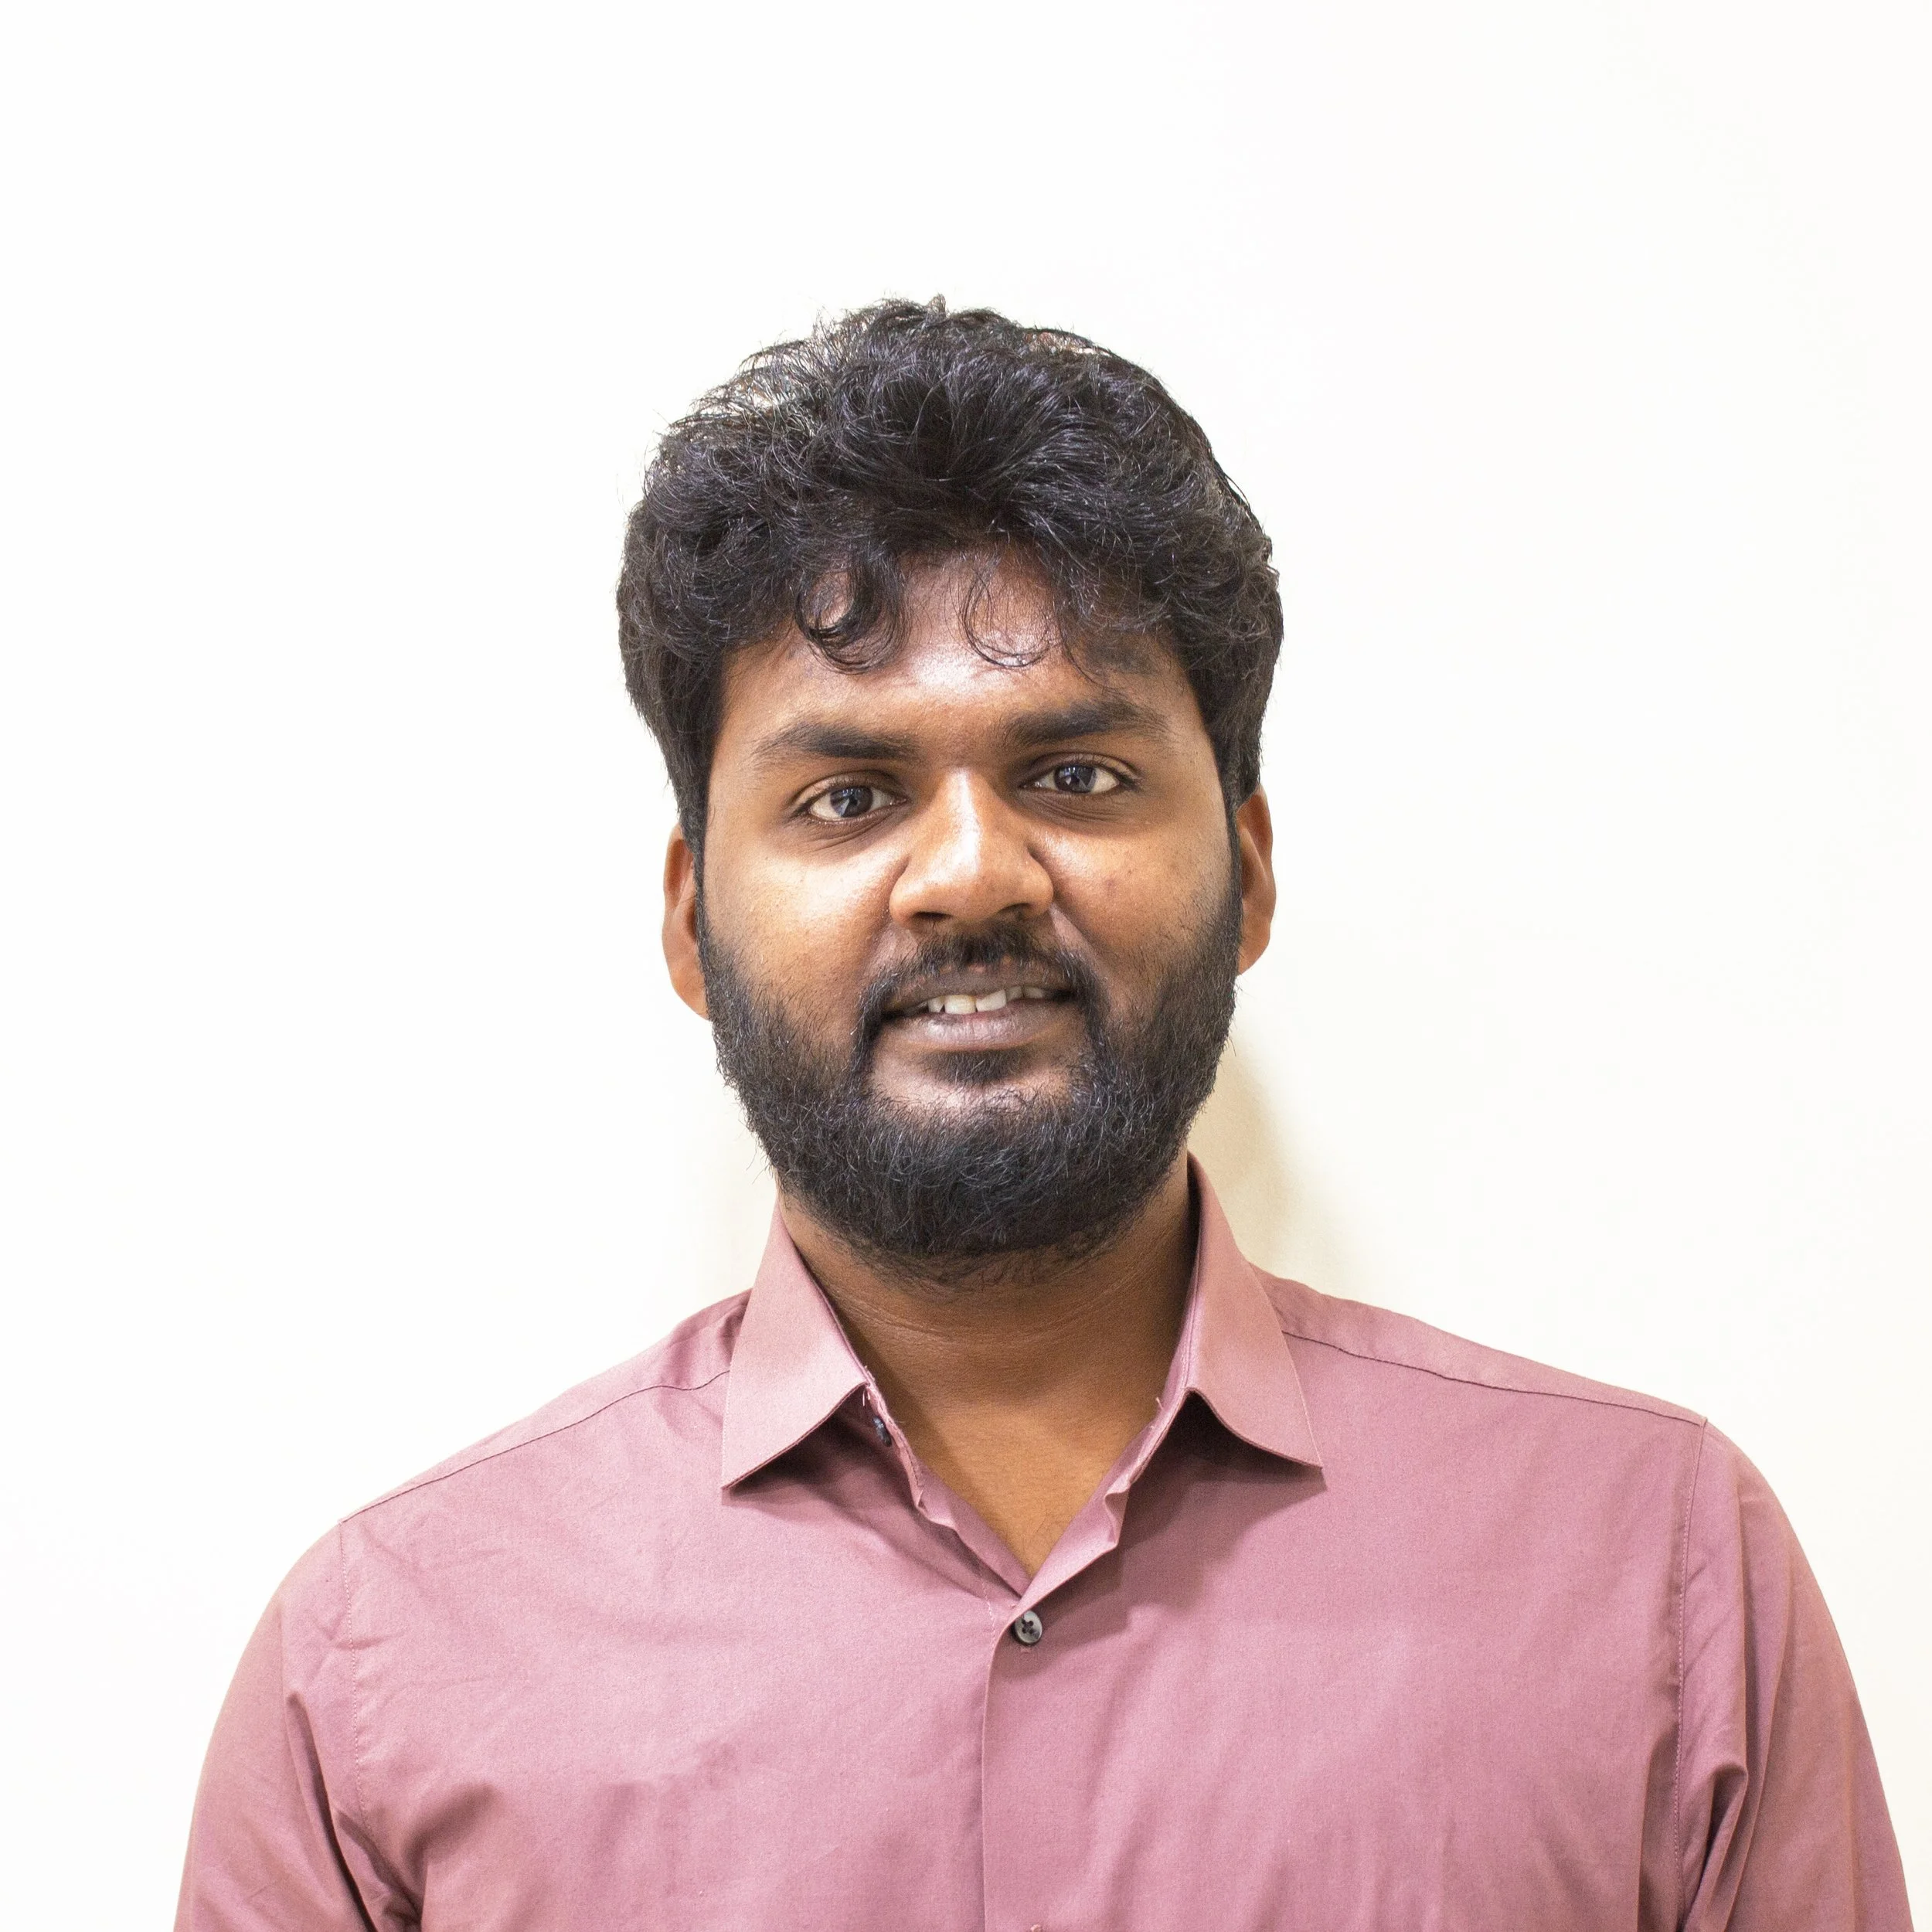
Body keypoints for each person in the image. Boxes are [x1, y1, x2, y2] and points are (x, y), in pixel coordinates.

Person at [176, 301, 1912, 1931]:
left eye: (1073, 776)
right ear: (689, 916)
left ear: (1241, 872)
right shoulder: (388, 1660)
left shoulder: (1655, 1574)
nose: (967, 874)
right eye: (847, 794)